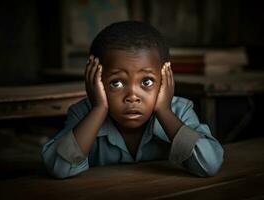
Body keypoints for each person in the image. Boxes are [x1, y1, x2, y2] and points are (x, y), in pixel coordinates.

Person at [41, 21, 223, 179]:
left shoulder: (179, 111)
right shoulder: (84, 114)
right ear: (95, 81)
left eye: (147, 81)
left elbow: (209, 164)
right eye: (116, 83)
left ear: (165, 80)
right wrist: (98, 109)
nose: (132, 97)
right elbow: (60, 168)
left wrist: (164, 112)